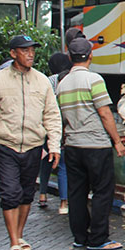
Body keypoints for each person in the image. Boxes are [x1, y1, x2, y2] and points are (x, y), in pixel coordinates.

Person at [0, 35, 62, 250]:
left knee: (25, 194)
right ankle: (13, 243)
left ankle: (19, 235)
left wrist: (54, 145)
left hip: (33, 146)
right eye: (25, 50)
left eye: (32, 50)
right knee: (10, 193)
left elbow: (52, 115)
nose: (30, 54)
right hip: (6, 146)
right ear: (13, 53)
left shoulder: (42, 81)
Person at [57, 37, 125, 250]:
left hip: (72, 145)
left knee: (76, 192)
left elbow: (60, 118)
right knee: (102, 191)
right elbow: (105, 113)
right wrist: (117, 141)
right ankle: (98, 238)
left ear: (70, 57)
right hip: (96, 145)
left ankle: (80, 237)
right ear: (90, 55)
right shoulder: (94, 80)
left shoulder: (62, 84)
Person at [39, 51, 72, 214]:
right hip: (62, 129)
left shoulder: (47, 81)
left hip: (47, 127)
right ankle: (63, 202)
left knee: (46, 161)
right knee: (63, 166)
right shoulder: (69, 79)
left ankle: (43, 194)